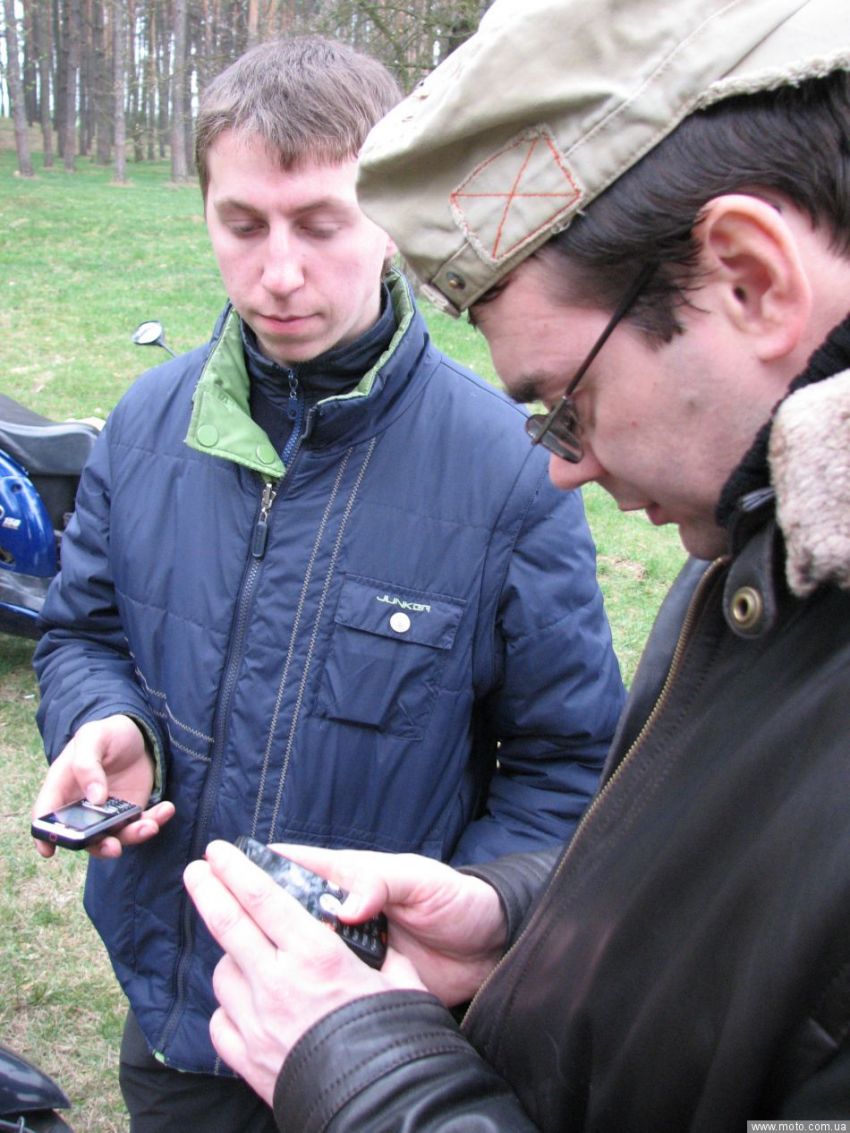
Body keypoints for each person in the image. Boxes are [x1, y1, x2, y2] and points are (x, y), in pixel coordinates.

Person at [183, 0, 850, 1128]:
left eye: (567, 402)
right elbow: (747, 942)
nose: (562, 467)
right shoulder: (764, 553)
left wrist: (372, 1080)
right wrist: (523, 920)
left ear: (749, 279)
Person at [30, 33, 625, 1133]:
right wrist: (107, 721)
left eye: (320, 223)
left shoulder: (510, 470)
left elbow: (568, 766)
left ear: (388, 218)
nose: (279, 272)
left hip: (371, 1037)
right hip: (175, 1010)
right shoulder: (146, 424)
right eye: (243, 224)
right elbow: (82, 634)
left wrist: (438, 944)